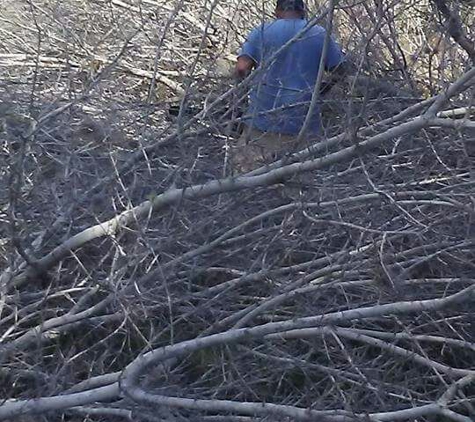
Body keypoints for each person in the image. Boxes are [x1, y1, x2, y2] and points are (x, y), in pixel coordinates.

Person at [233, 0, 346, 172]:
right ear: (303, 11)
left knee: (247, 180)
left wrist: (242, 102)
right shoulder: (319, 33)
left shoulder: (261, 31)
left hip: (260, 121)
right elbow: (340, 69)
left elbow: (242, 68)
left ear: (277, 11)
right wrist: (323, 89)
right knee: (301, 186)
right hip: (304, 123)